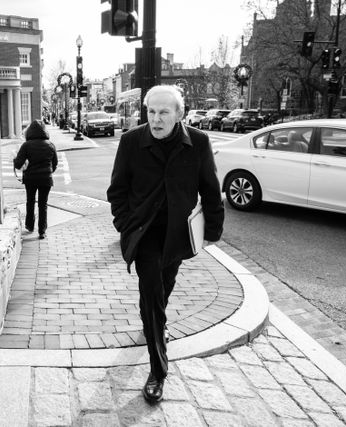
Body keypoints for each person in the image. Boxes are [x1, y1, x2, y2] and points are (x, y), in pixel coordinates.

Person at [106, 85, 224, 403]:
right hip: (144, 234)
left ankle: (154, 320)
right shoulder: (132, 142)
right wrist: (124, 224)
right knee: (152, 293)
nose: (156, 119)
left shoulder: (197, 143)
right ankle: (158, 371)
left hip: (177, 235)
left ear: (179, 114)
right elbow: (117, 190)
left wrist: (212, 231)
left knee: (163, 288)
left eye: (163, 112)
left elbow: (211, 190)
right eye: (151, 112)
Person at [13, 119, 58, 239]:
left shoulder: (26, 145)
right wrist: (48, 172)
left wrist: (15, 159)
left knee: (30, 202)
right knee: (43, 205)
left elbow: (18, 164)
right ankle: (42, 231)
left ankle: (29, 225)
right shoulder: (50, 145)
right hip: (46, 179)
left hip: (31, 179)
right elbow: (55, 164)